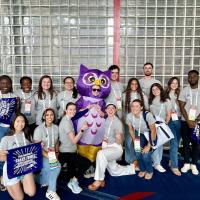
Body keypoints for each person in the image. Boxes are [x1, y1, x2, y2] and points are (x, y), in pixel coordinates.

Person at [88, 103, 135, 191]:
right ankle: (133, 167)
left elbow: (119, 141)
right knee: (114, 171)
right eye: (108, 108)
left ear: (115, 110)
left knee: (101, 154)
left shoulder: (117, 122)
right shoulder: (105, 119)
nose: (110, 110)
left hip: (115, 148)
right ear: (105, 110)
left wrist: (118, 138)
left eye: (112, 108)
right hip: (106, 147)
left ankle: (99, 180)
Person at [0, 113, 36, 199]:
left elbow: (32, 152)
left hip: (25, 167)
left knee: (31, 193)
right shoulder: (6, 138)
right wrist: (17, 158)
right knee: (20, 198)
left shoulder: (27, 136)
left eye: (23, 121)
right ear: (13, 122)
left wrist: (38, 147)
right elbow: (0, 157)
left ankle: (21, 181)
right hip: (11, 169)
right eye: (18, 121)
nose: (20, 124)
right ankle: (3, 180)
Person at [58, 102, 90, 194]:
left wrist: (87, 108)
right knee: (86, 163)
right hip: (66, 152)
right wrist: (83, 129)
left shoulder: (68, 120)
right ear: (66, 110)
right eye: (70, 109)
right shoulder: (66, 122)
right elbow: (74, 140)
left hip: (70, 150)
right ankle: (74, 181)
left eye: (74, 109)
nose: (73, 111)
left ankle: (72, 181)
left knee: (72, 169)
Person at [33, 108, 61, 200]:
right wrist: (49, 156)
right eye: (47, 115)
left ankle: (35, 178)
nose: (49, 116)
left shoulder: (56, 127)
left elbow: (56, 142)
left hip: (52, 155)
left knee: (46, 178)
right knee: (57, 166)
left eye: (51, 114)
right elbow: (38, 148)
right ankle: (51, 191)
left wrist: (56, 153)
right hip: (41, 155)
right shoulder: (38, 129)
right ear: (44, 117)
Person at [126, 99, 156, 180]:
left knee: (146, 155)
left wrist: (148, 146)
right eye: (132, 106)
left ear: (141, 107)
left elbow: (153, 130)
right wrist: (135, 141)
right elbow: (130, 129)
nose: (134, 108)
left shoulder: (147, 115)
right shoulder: (129, 116)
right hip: (141, 134)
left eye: (137, 106)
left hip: (151, 134)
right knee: (137, 152)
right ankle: (143, 169)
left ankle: (149, 171)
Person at [123, 78, 148, 169]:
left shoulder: (143, 95)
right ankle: (130, 160)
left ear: (138, 85)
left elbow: (146, 108)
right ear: (129, 85)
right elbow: (121, 108)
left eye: (136, 84)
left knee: (137, 141)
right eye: (132, 84)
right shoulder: (124, 95)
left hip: (139, 123)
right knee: (129, 141)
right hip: (128, 122)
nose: (134, 86)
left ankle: (138, 160)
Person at [179, 70, 200, 175]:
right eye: (190, 77)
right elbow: (181, 107)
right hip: (185, 121)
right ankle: (186, 163)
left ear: (198, 77)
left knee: (196, 143)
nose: (192, 78)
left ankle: (194, 164)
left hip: (198, 122)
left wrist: (196, 120)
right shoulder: (184, 90)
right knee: (186, 143)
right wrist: (188, 120)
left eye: (194, 76)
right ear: (188, 78)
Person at [0, 75, 19, 191]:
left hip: (11, 129)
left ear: (11, 84)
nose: (5, 85)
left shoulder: (14, 97)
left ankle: (7, 175)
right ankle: (1, 177)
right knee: (1, 152)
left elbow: (16, 113)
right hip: (0, 128)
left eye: (7, 83)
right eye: (2, 83)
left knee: (9, 151)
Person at [149, 83, 171, 173]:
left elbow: (168, 114)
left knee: (159, 143)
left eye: (157, 89)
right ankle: (153, 161)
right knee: (152, 142)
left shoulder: (166, 100)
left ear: (161, 89)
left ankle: (158, 163)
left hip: (161, 124)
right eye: (153, 89)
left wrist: (165, 124)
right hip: (151, 124)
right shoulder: (151, 100)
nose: (155, 91)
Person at [165, 77, 182, 176]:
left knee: (177, 142)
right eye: (172, 83)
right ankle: (174, 166)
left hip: (179, 119)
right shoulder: (165, 95)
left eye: (176, 83)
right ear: (169, 84)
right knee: (174, 142)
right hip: (170, 119)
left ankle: (172, 159)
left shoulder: (180, 94)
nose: (174, 85)